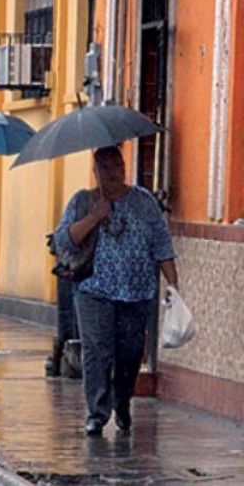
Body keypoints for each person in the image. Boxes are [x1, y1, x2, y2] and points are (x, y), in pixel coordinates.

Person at [53, 145, 178, 437]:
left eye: (118, 165)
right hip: (93, 290)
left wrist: (173, 283)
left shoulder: (144, 201)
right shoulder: (83, 201)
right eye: (106, 168)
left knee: (130, 354)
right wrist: (96, 215)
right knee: (96, 351)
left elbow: (161, 243)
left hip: (137, 292)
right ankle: (97, 412)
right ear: (96, 172)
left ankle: (122, 402)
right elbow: (64, 242)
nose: (113, 172)